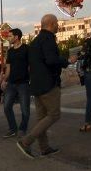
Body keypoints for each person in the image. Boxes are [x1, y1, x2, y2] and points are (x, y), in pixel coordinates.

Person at [16, 14, 76, 159]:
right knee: (54, 114)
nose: (58, 26)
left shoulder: (35, 41)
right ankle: (26, 141)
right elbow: (51, 60)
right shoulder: (48, 39)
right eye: (56, 23)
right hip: (48, 84)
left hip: (36, 84)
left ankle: (45, 148)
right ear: (51, 24)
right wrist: (67, 60)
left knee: (41, 118)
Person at [2, 28, 30, 138]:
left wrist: (30, 77)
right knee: (6, 107)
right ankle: (13, 128)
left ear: (16, 37)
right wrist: (4, 80)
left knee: (25, 109)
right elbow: (8, 68)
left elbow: (30, 65)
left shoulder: (27, 49)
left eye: (10, 36)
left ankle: (22, 129)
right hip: (11, 83)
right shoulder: (10, 51)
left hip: (23, 83)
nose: (8, 38)